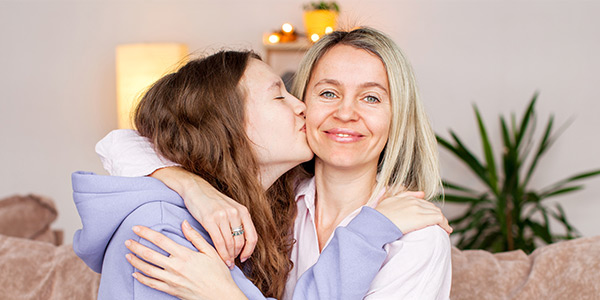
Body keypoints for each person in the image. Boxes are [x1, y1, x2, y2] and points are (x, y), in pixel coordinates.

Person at [95, 27, 453, 299]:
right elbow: (121, 143)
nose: (346, 113)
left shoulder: (415, 237)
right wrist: (193, 187)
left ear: (399, 117)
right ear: (306, 103)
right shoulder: (264, 204)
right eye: (327, 93)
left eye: (371, 98)